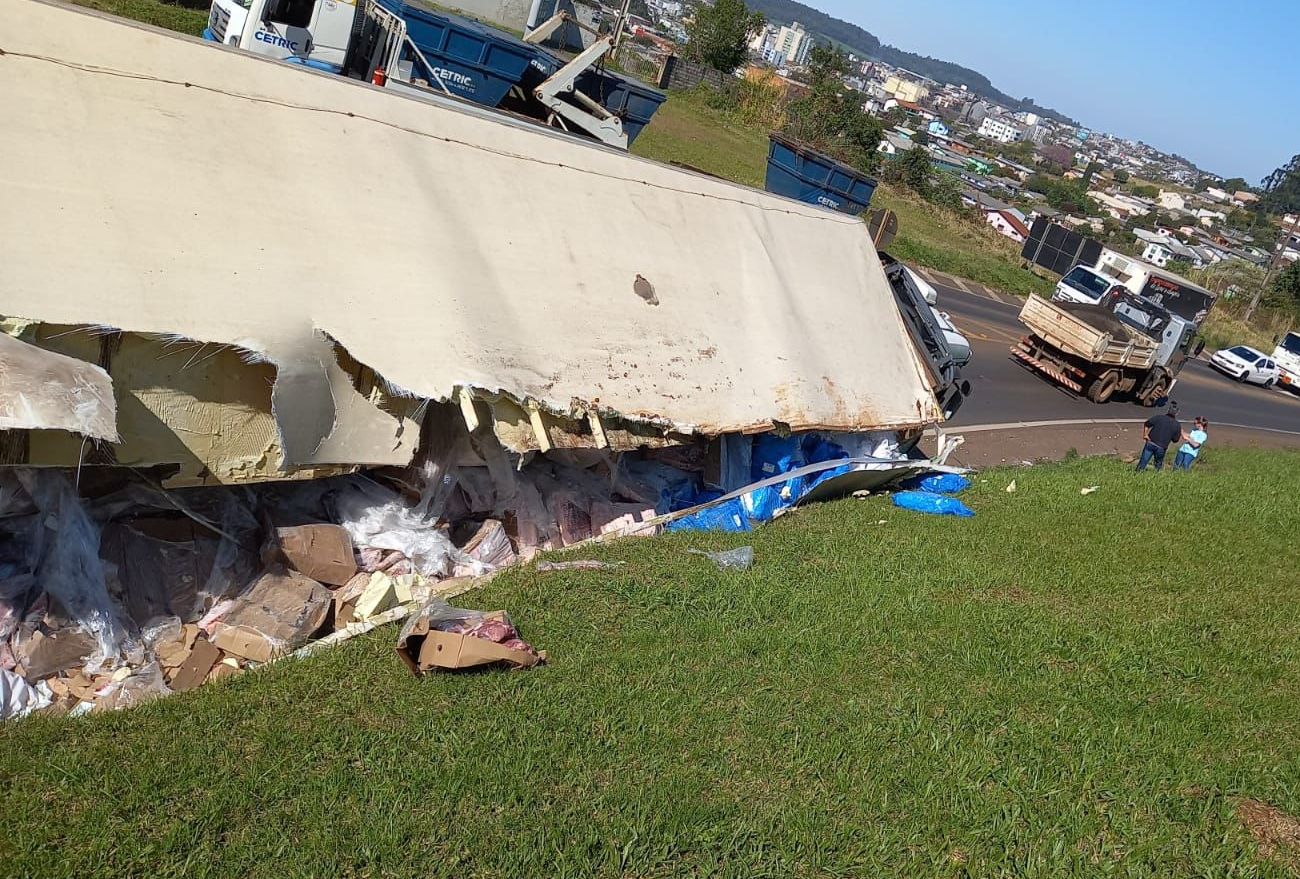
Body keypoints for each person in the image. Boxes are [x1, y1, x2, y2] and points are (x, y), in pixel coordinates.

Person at [1136, 402, 1181, 471]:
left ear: (1168, 410)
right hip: (1161, 447)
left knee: (1142, 463)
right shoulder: (1177, 425)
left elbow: (1147, 424)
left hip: (1150, 443)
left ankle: (1137, 473)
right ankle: (1155, 477)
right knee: (1157, 465)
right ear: (1177, 413)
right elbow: (1175, 440)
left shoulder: (1159, 417)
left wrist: (1145, 434)